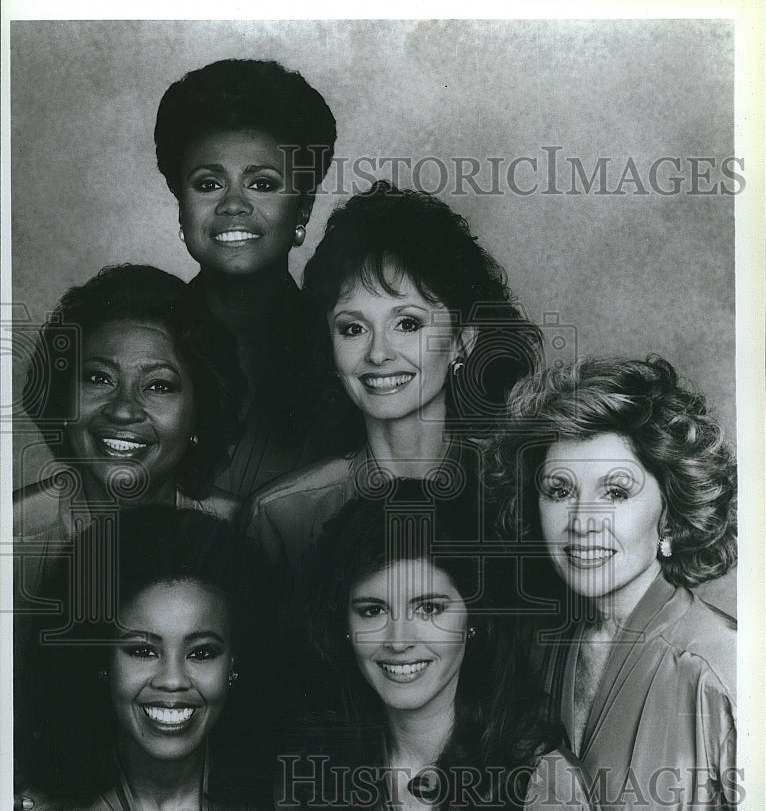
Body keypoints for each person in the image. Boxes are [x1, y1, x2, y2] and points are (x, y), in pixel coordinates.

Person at [274, 489, 615, 811]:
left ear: (474, 617)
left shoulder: (554, 797)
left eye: (429, 608)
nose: (399, 640)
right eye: (373, 610)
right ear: (343, 625)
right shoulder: (304, 793)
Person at [487, 355, 738, 811]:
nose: (583, 522)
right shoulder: (540, 654)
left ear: (670, 511)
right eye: (559, 491)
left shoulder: (720, 664)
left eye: (616, 491)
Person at [14, 506, 296, 811]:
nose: (172, 680)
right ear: (101, 661)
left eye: (202, 652)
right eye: (142, 651)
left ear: (237, 663)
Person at [249, 180, 542, 591]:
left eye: (407, 324)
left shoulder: (521, 494)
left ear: (463, 339)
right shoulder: (285, 516)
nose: (378, 353)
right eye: (353, 329)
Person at [154, 59, 339, 494]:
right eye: (207, 184)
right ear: (182, 207)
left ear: (304, 209)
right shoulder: (142, 337)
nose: (233, 204)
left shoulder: (348, 342)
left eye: (262, 184)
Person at [13, 264, 244, 606]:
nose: (123, 409)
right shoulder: (11, 536)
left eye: (159, 385)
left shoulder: (243, 531)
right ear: (63, 396)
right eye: (99, 378)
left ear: (200, 413)